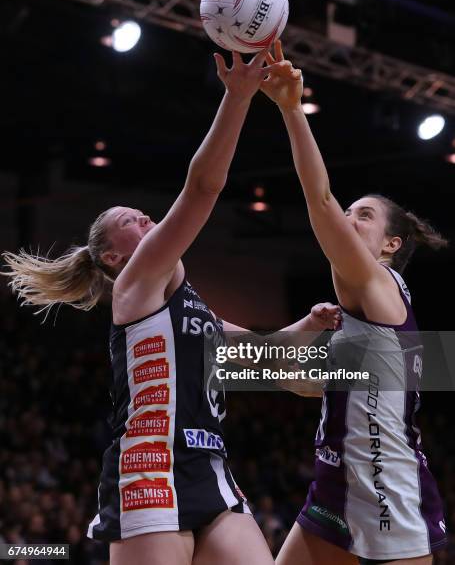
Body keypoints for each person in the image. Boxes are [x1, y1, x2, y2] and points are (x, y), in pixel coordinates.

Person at [2, 50, 339, 565]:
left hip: (210, 467)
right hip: (150, 468)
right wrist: (237, 95)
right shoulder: (132, 286)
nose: (144, 216)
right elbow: (204, 187)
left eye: (141, 212)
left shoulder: (192, 308)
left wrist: (307, 326)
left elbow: (261, 356)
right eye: (131, 221)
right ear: (116, 256)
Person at [260, 41, 449, 565]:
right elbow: (296, 383)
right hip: (336, 487)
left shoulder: (379, 286)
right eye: (350, 210)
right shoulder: (362, 321)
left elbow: (319, 202)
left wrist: (292, 110)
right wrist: (303, 331)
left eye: (361, 215)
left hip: (388, 491)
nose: (347, 217)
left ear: (391, 245)